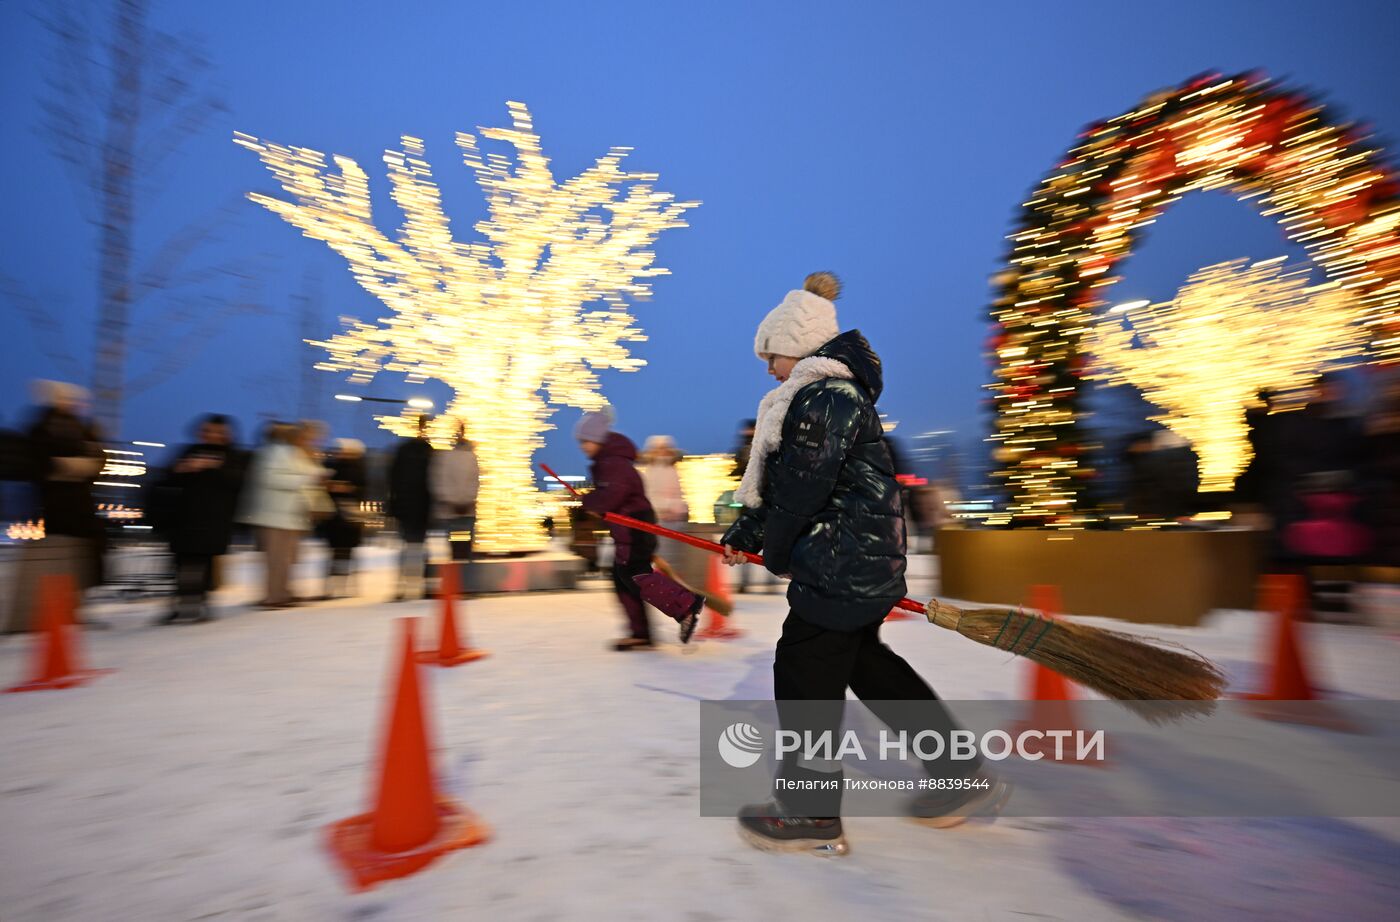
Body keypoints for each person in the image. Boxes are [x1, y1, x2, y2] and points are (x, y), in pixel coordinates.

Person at [719, 272, 1003, 855]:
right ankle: (960, 775)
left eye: (770, 354)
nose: (767, 367)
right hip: (852, 560)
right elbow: (786, 481)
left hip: (841, 563)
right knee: (867, 667)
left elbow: (802, 487)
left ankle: (808, 811)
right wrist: (747, 529)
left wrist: (771, 547)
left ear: (794, 346)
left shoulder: (825, 396)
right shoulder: (824, 395)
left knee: (803, 671)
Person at [575, 408, 695, 650]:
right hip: (628, 527)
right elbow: (613, 497)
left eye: (586, 441)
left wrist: (590, 502)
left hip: (634, 527)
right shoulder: (608, 461)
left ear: (598, 439)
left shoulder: (613, 462)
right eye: (581, 441)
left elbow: (613, 495)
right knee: (625, 578)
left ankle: (686, 606)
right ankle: (641, 633)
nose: (583, 446)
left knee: (634, 576)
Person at [3, 382, 105, 634]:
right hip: (55, 504)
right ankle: (56, 611)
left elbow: (98, 459)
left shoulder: (83, 428)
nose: (73, 404)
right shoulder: (42, 427)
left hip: (80, 502)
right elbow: (39, 464)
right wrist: (71, 467)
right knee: (58, 556)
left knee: (89, 552)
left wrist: (72, 467)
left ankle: (75, 606)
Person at [150, 414, 247, 624]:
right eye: (207, 431)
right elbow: (166, 476)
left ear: (226, 434)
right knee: (180, 563)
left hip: (214, 519)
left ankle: (200, 603)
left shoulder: (233, 455)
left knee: (203, 563)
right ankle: (180, 604)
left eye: (216, 432)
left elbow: (238, 482)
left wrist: (213, 467)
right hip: (184, 517)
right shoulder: (188, 451)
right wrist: (182, 469)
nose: (211, 435)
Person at [239, 422, 326, 608]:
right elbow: (273, 478)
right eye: (306, 436)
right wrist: (308, 477)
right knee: (277, 559)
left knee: (286, 558)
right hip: (275, 515)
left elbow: (305, 476)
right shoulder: (276, 452)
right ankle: (274, 596)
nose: (310, 440)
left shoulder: (292, 453)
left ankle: (283, 591)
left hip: (289, 515)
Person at [388, 415, 435, 601]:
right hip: (422, 505)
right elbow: (433, 480)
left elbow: (393, 479)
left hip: (406, 506)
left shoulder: (403, 450)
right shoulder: (428, 451)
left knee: (408, 548)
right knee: (420, 548)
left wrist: (392, 506)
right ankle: (421, 586)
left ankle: (402, 587)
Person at [320, 438, 367, 598]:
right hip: (339, 518)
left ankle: (339, 586)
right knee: (339, 552)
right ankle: (336, 586)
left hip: (346, 518)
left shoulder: (353, 468)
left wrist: (339, 487)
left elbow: (359, 489)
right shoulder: (334, 466)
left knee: (343, 552)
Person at [430, 421, 480, 564]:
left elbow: (439, 480)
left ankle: (455, 573)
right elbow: (475, 483)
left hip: (450, 510)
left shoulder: (445, 457)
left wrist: (450, 501)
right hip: (467, 510)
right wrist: (467, 501)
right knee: (466, 544)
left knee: (454, 546)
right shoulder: (472, 458)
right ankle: (466, 576)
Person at [637, 434, 688, 528]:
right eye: (659, 449)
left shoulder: (671, 469)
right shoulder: (650, 470)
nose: (662, 452)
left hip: (672, 518)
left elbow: (677, 493)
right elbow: (648, 493)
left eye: (664, 448)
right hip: (657, 517)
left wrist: (674, 508)